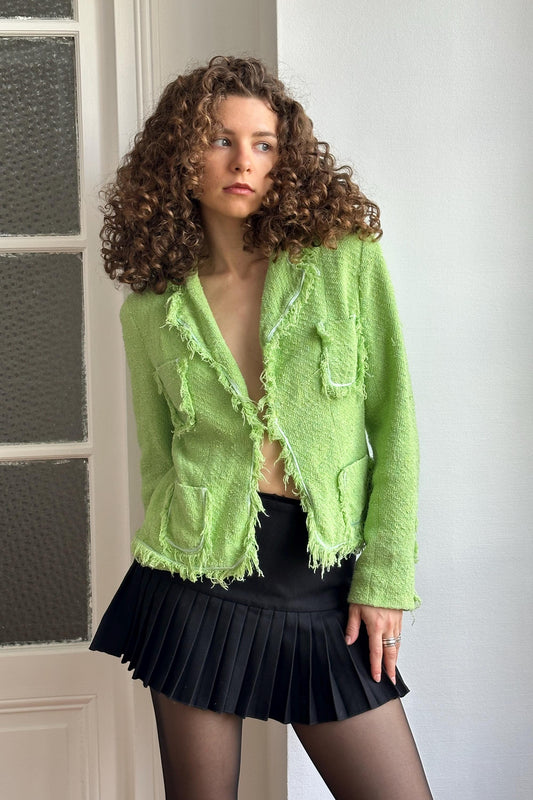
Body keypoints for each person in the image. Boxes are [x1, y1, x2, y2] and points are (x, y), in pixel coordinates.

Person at [90, 55, 432, 800]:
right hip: (194, 583)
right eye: (219, 140)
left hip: (322, 584)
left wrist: (383, 579)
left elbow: (395, 424)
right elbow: (159, 457)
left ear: (287, 157)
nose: (243, 161)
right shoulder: (151, 309)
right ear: (179, 155)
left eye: (264, 143)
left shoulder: (342, 262)